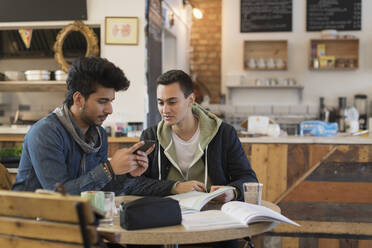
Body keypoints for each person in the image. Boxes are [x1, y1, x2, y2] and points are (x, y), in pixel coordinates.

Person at [124, 70, 258, 247]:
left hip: (214, 227)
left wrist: (233, 191)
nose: (165, 110)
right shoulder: (150, 136)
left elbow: (248, 178)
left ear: (191, 100)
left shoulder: (224, 134)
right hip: (164, 224)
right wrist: (175, 187)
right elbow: (134, 184)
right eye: (160, 102)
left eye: (172, 102)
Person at [13, 57, 152, 195]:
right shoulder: (45, 133)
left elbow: (101, 189)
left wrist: (129, 173)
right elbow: (58, 195)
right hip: (30, 215)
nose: (110, 110)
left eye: (111, 101)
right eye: (103, 101)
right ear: (79, 99)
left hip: (76, 214)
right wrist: (108, 169)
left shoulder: (99, 134)